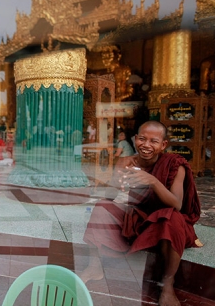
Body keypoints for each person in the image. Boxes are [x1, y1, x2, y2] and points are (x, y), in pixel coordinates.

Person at [82, 121, 201, 306]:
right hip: (137, 217)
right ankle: (94, 267)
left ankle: (167, 284)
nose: (146, 145)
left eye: (154, 141)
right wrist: (116, 178)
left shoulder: (175, 165)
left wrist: (152, 181)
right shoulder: (126, 161)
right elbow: (110, 197)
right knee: (101, 206)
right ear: (136, 139)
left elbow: (177, 204)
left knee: (172, 217)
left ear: (163, 145)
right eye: (143, 139)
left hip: (164, 221)